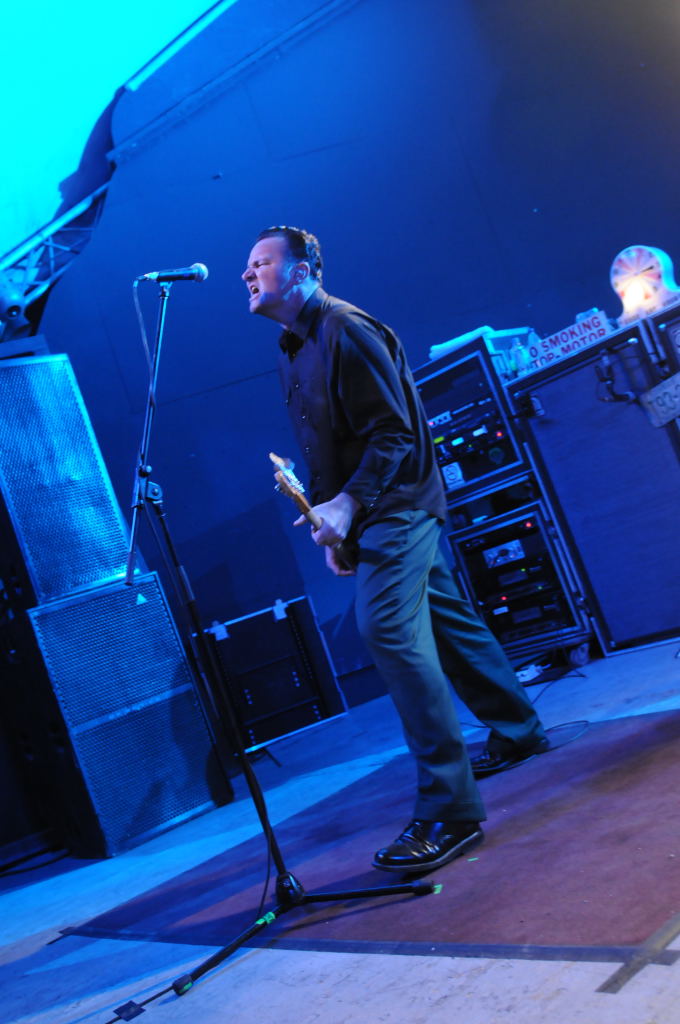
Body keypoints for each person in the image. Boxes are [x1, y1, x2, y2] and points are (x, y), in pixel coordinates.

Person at [242, 225, 549, 874]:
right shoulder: (291, 348)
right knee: (447, 619)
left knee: (385, 627)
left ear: (303, 272)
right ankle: (519, 730)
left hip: (400, 502)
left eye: (262, 262)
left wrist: (349, 508)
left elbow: (395, 435)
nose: (248, 274)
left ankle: (450, 810)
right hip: (368, 512)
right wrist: (333, 524)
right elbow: (326, 449)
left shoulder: (347, 329)